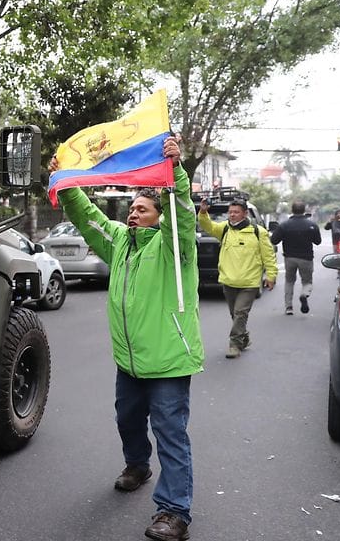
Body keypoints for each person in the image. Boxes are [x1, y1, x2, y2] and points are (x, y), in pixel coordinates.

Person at [49, 136, 202, 541]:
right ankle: (137, 465)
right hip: (130, 362)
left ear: (158, 215)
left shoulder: (175, 246)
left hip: (168, 361)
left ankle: (174, 512)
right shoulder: (119, 242)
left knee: (170, 433)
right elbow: (88, 217)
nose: (134, 214)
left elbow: (182, 216)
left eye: (143, 209)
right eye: (131, 208)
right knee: (127, 419)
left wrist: (177, 175)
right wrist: (66, 184)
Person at [198, 198, 277, 358]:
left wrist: (271, 275)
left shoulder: (258, 232)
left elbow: (268, 255)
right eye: (230, 212)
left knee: (240, 313)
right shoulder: (225, 229)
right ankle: (244, 338)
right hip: (228, 281)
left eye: (236, 212)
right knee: (235, 315)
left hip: (249, 282)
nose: (232, 215)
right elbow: (209, 226)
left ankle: (234, 345)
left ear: (245, 213)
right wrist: (203, 213)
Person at [271, 201, 322, 314]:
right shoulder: (311, 225)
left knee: (289, 281)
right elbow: (318, 241)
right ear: (304, 210)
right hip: (306, 258)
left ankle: (288, 307)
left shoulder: (284, 225)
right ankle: (304, 294)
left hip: (289, 258)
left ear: (292, 210)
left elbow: (274, 240)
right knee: (307, 281)